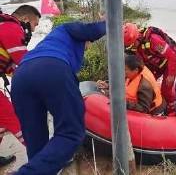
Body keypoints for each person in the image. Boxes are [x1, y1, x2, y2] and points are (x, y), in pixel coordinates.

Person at [10, 20, 106, 175]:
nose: (87, 46)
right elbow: (93, 29)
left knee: (35, 141)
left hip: (20, 77)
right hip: (52, 69)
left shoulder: (51, 42)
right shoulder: (67, 28)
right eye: (87, 43)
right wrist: (111, 21)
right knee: (71, 132)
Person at [0, 5, 41, 167]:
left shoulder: (4, 26)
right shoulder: (12, 27)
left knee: (2, 123)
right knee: (15, 119)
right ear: (25, 19)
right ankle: (45, 156)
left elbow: (13, 67)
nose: (34, 29)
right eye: (35, 24)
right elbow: (25, 64)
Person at [123, 23, 176, 108]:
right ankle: (148, 102)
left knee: (166, 89)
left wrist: (171, 75)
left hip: (168, 64)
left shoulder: (154, 40)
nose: (132, 48)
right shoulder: (136, 45)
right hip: (155, 65)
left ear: (136, 39)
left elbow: (172, 56)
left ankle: (171, 106)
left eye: (132, 45)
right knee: (148, 83)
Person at [97, 55, 166, 115]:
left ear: (136, 70)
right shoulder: (132, 73)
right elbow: (125, 85)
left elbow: (144, 109)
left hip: (154, 111)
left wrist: (122, 102)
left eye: (125, 70)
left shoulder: (144, 86)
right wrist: (108, 86)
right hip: (136, 101)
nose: (123, 72)